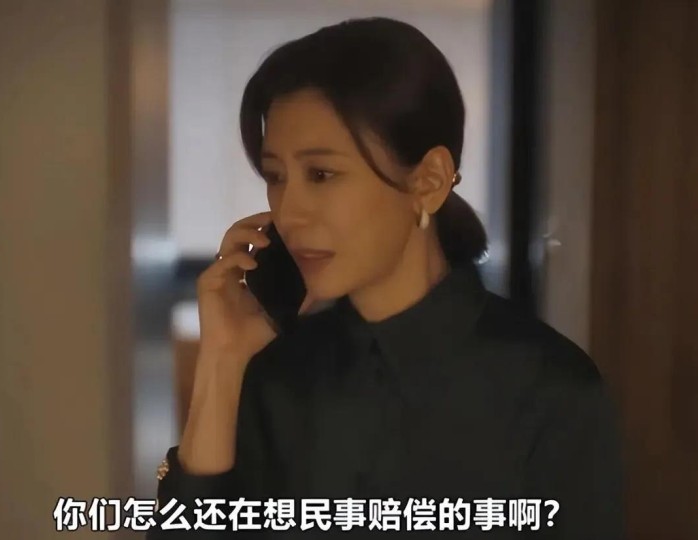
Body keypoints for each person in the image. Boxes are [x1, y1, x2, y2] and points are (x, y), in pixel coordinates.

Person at [147, 17, 624, 539]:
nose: (290, 212)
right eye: (276, 177)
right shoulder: (276, 378)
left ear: (429, 181)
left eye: (321, 174)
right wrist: (222, 362)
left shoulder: (551, 391)